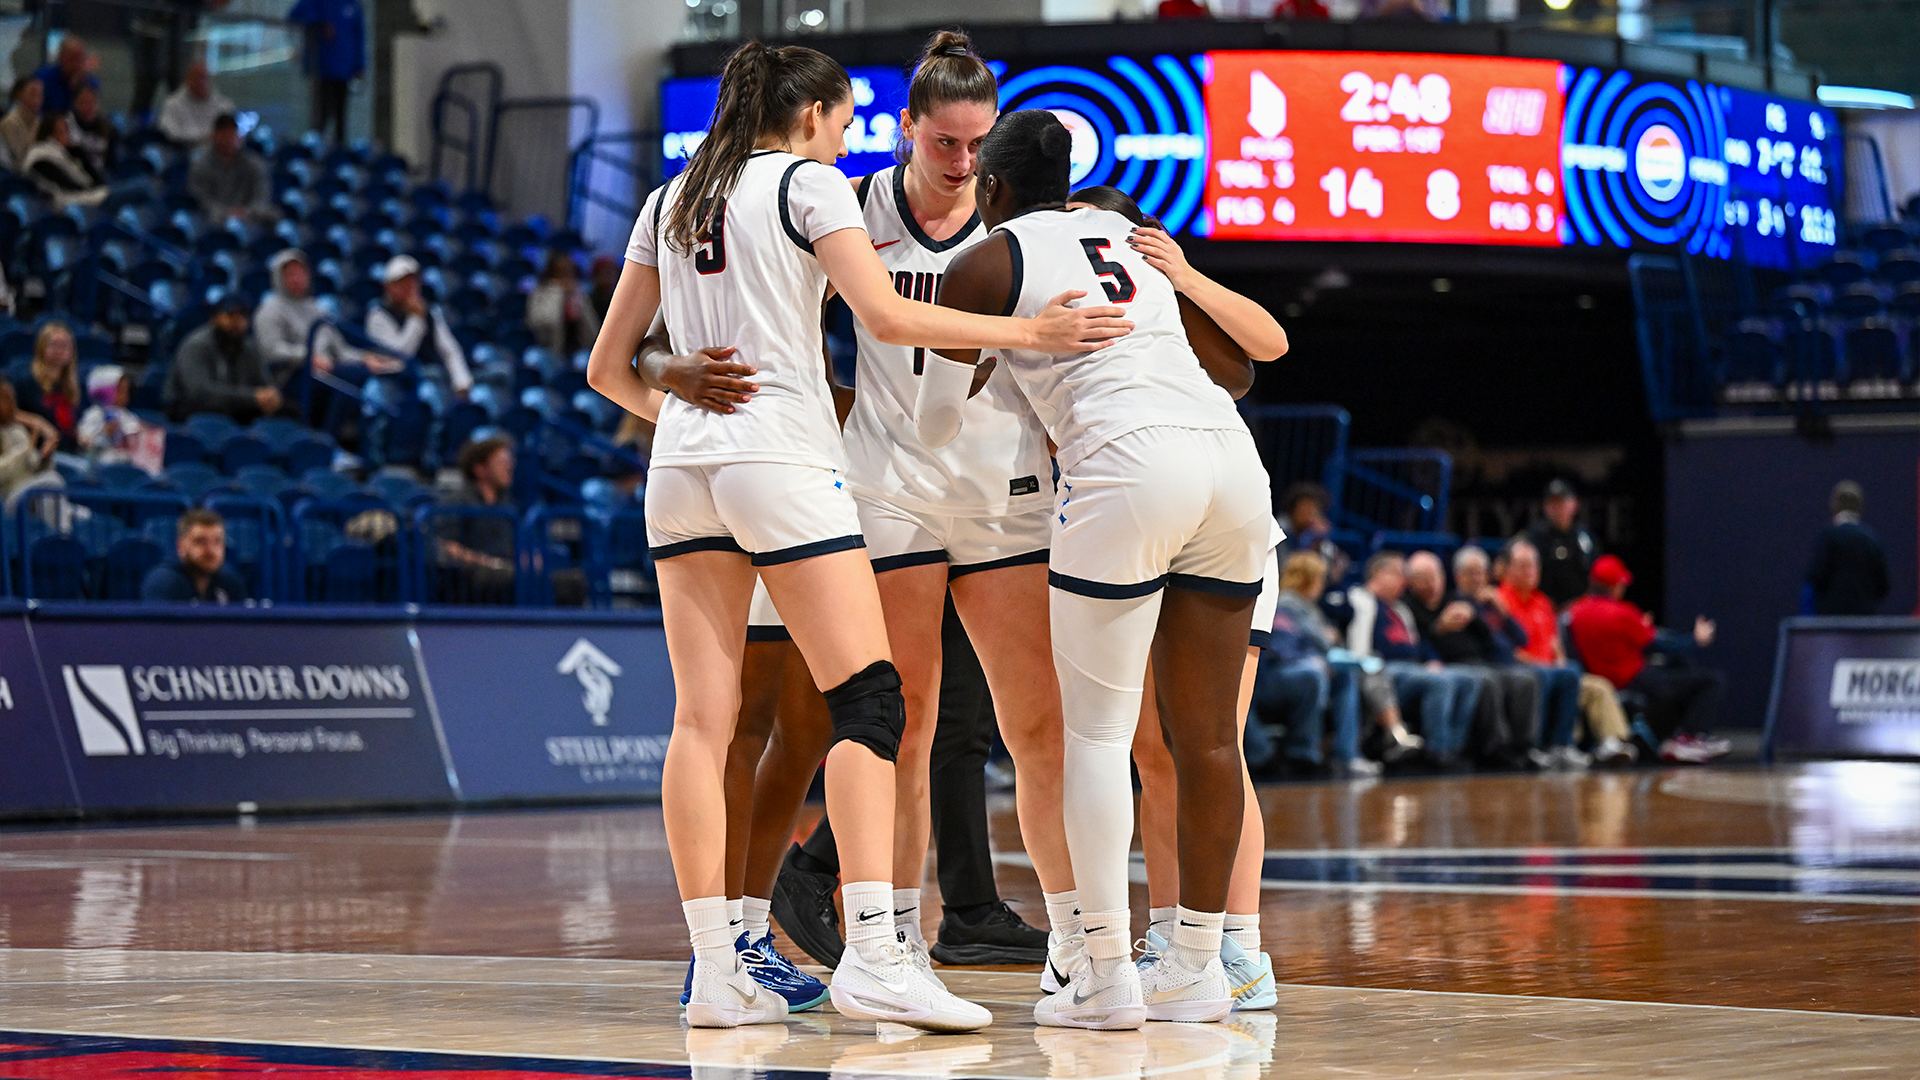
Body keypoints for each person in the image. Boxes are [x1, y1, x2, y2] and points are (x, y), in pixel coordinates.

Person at [585, 43, 1124, 1031]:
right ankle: (877, 949)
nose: (848, 137)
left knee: (701, 723)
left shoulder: (670, 197)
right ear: (815, 116)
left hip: (687, 469)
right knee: (874, 704)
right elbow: (882, 313)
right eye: (844, 120)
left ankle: (716, 972)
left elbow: (609, 370)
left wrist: (687, 400)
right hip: (789, 467)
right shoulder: (816, 187)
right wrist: (1033, 337)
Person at [917, 109, 1272, 1029]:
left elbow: (931, 423)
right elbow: (1237, 361)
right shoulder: (1132, 238)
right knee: (1205, 741)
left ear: (990, 186)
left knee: (1097, 738)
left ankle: (1104, 973)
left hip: (1124, 471)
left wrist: (1008, 348)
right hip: (1232, 466)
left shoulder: (988, 259)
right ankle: (1201, 964)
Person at [1062, 182, 1291, 1013]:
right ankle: (1179, 936)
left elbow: (1267, 346)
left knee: (1212, 745)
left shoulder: (1164, 288)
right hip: (1159, 520)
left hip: (1220, 527)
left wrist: (1187, 274)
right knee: (1158, 755)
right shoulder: (1089, 306)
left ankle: (1239, 947)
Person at [1455, 545, 1631, 765]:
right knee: (1547, 677)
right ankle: (1540, 745)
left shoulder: (1542, 602)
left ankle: (1602, 743)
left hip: (1548, 668)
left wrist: (1559, 662)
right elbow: (1510, 649)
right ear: (1506, 570)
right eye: (1523, 566)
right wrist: (1547, 666)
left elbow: (1551, 643)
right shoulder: (1499, 598)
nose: (1531, 571)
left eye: (1534, 565)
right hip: (1523, 667)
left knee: (1593, 684)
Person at [1568, 555, 1730, 763]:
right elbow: (1661, 644)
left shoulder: (1575, 612)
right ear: (1616, 586)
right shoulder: (1622, 614)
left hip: (1603, 679)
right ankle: (1689, 738)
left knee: (1678, 668)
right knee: (1711, 681)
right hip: (1637, 680)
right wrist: (1695, 639)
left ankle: (1671, 737)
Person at [1404, 549, 1548, 768]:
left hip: (1483, 661)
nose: (1432, 585)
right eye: (1424, 580)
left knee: (1525, 680)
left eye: (1435, 578)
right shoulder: (1408, 607)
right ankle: (1495, 747)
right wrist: (1439, 628)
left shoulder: (1455, 601)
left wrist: (1490, 612)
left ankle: (1524, 746)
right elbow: (1419, 644)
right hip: (1451, 663)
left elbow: (1508, 640)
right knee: (1487, 680)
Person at [1345, 551, 1478, 767]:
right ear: (1379, 574)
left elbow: (1419, 643)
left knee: (1469, 679)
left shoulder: (1400, 609)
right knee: (1440, 683)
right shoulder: (1360, 599)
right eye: (1398, 574)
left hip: (1413, 668)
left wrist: (1432, 660)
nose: (1404, 581)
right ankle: (1438, 752)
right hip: (1383, 668)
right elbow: (1357, 643)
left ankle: (1455, 747)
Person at [165, 293, 283, 422]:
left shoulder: (248, 348)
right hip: (189, 410)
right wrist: (252, 397)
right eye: (230, 315)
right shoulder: (196, 345)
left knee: (289, 412)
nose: (236, 322)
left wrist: (271, 397)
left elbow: (265, 385)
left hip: (234, 408)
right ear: (214, 318)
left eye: (242, 316)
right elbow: (199, 393)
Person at [366, 255, 473, 396]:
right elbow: (400, 355)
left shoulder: (430, 312)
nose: (409, 287)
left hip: (433, 375)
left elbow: (450, 349)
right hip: (397, 382)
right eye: (402, 282)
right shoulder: (378, 315)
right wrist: (416, 319)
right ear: (388, 286)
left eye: (412, 281)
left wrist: (461, 382)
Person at [435, 436, 518, 604]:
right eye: (502, 462)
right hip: (468, 578)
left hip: (505, 569)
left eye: (510, 461)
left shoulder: (508, 506)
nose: (510, 466)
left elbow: (515, 545)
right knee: (510, 578)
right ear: (480, 469)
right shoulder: (456, 502)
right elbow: (446, 546)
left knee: (570, 581)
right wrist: (484, 562)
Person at [1806, 480, 1890, 616]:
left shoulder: (1828, 538)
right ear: (1860, 506)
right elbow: (1883, 586)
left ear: (1833, 505)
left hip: (1831, 625)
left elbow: (1814, 578)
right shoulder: (1871, 540)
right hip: (1864, 623)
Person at [287, 0, 365, 144]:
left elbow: (359, 35)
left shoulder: (352, 5)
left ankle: (339, 148)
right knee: (321, 113)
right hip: (322, 69)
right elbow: (295, 14)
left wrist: (359, 65)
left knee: (340, 114)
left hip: (344, 70)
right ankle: (315, 147)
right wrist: (320, 23)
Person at [141, 508, 249, 603]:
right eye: (201, 541)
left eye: (217, 541)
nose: (211, 550)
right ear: (181, 546)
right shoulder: (164, 582)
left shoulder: (230, 581)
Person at [189, 114, 275, 223]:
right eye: (224, 134)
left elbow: (261, 195)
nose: (229, 139)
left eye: (232, 134)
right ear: (215, 136)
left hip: (250, 218)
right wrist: (226, 213)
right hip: (213, 220)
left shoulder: (254, 164)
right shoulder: (201, 166)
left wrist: (246, 212)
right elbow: (201, 199)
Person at [11, 321, 82, 453]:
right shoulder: (25, 380)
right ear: (42, 347)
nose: (60, 350)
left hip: (70, 450)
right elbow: (8, 413)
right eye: (55, 344)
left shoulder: (72, 385)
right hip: (38, 450)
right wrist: (37, 422)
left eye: (65, 345)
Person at [1530, 478, 1597, 609]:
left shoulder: (1584, 537)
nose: (1557, 508)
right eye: (1552, 503)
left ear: (1574, 504)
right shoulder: (1534, 537)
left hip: (1580, 608)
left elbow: (1595, 574)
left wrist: (1579, 603)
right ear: (1545, 507)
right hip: (1543, 608)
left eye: (1562, 502)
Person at [77, 366, 155, 471]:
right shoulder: (94, 414)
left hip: (125, 461)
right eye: (120, 391)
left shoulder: (127, 416)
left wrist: (142, 432)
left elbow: (135, 430)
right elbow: (84, 440)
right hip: (98, 462)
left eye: (126, 391)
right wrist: (105, 433)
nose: (125, 396)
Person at [22, 112, 107, 208]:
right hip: (64, 202)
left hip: (82, 197)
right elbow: (68, 185)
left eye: (66, 130)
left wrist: (78, 153)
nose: (66, 135)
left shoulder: (64, 153)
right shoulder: (41, 154)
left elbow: (96, 181)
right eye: (61, 131)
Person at [0, 382, 63, 513]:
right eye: (5, 398)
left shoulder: (16, 430)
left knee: (84, 515)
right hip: (8, 495)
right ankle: (60, 533)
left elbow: (33, 466)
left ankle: (58, 532)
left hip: (31, 491)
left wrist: (44, 459)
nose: (12, 403)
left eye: (12, 398)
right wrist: (28, 447)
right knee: (52, 480)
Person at [526, 252, 601, 354]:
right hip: (549, 347)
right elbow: (536, 322)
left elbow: (593, 329)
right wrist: (560, 296)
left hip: (578, 347)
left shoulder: (578, 293)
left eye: (569, 272)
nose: (566, 277)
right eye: (561, 273)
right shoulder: (541, 293)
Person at [159, 60, 236, 145]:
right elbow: (168, 133)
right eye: (195, 77)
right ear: (187, 79)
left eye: (203, 77)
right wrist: (201, 138)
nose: (200, 82)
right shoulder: (172, 105)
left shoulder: (224, 106)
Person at [33, 37, 99, 117]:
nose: (76, 64)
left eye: (80, 59)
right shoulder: (43, 78)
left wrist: (77, 88)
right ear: (61, 57)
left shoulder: (90, 83)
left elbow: (88, 116)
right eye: (72, 59)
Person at [67, 84, 116, 176]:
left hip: (102, 177)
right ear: (75, 104)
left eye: (92, 102)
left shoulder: (107, 128)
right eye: (84, 102)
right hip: (75, 176)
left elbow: (112, 163)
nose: (89, 107)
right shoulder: (66, 125)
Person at [0, 76, 42, 169]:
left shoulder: (39, 121)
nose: (37, 99)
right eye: (32, 93)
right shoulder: (10, 122)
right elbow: (20, 159)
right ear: (19, 95)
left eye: (40, 94)